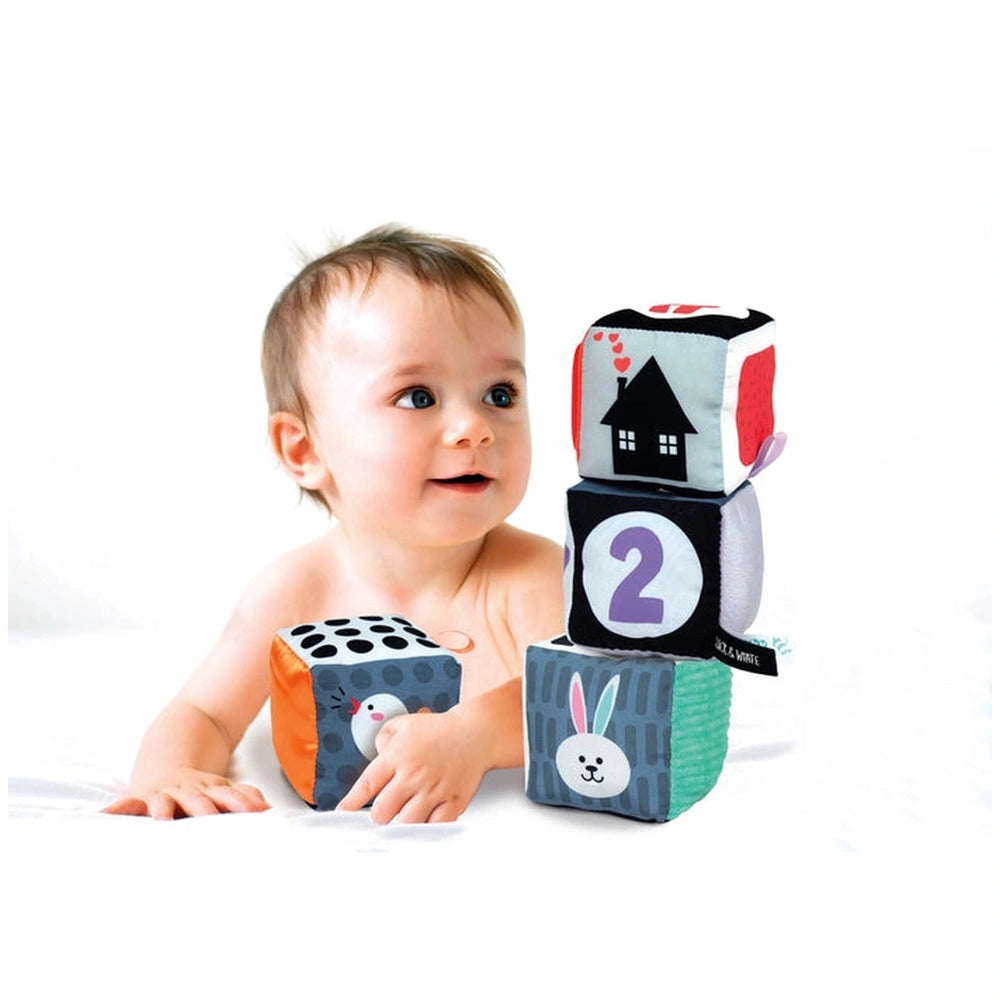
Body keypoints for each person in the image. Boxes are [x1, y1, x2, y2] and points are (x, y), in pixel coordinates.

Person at [103, 225, 564, 824]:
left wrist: (474, 734)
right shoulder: (298, 589)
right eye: (417, 397)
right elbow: (204, 713)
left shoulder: (528, 575)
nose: (473, 428)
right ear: (304, 449)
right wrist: (172, 773)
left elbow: (573, 694)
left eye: (500, 394)